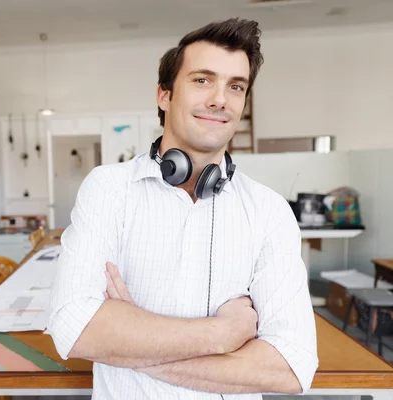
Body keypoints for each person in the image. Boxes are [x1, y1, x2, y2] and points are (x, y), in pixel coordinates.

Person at [47, 17, 318, 399]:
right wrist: (222, 334)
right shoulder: (108, 189)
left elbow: (292, 366)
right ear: (164, 94)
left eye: (235, 86)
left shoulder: (269, 212)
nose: (220, 99)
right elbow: (74, 329)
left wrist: (128, 339)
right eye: (202, 80)